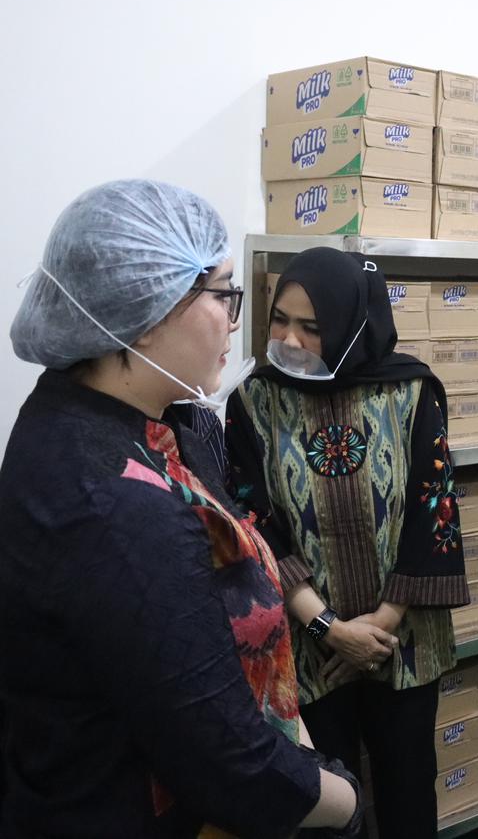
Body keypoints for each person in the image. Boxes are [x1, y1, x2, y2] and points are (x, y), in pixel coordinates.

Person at [0, 180, 360, 837]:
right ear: (147, 311)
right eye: (222, 295)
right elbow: (229, 764)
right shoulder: (113, 503)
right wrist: (350, 804)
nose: (235, 320)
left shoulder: (155, 420)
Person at [226, 247, 468, 839]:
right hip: (311, 649)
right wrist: (329, 628)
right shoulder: (254, 402)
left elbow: (432, 508)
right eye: (280, 320)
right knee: (326, 806)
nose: (290, 340)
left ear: (352, 325)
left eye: (312, 327)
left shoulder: (411, 392)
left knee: (408, 791)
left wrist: (380, 625)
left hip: (402, 642)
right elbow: (254, 521)